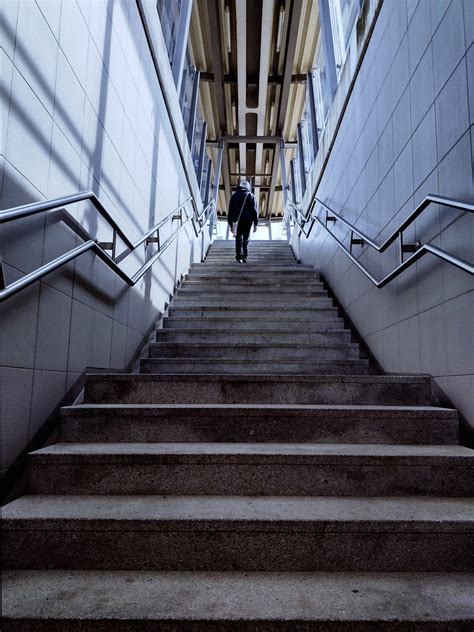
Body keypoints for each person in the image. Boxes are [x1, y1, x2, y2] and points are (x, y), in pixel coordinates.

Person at [227, 180, 258, 262]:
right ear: (248, 187)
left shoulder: (234, 196)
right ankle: (245, 256)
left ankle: (239, 256)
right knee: (246, 238)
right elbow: (254, 210)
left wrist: (230, 223)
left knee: (238, 238)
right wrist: (256, 223)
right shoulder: (250, 196)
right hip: (248, 221)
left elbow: (230, 210)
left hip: (237, 221)